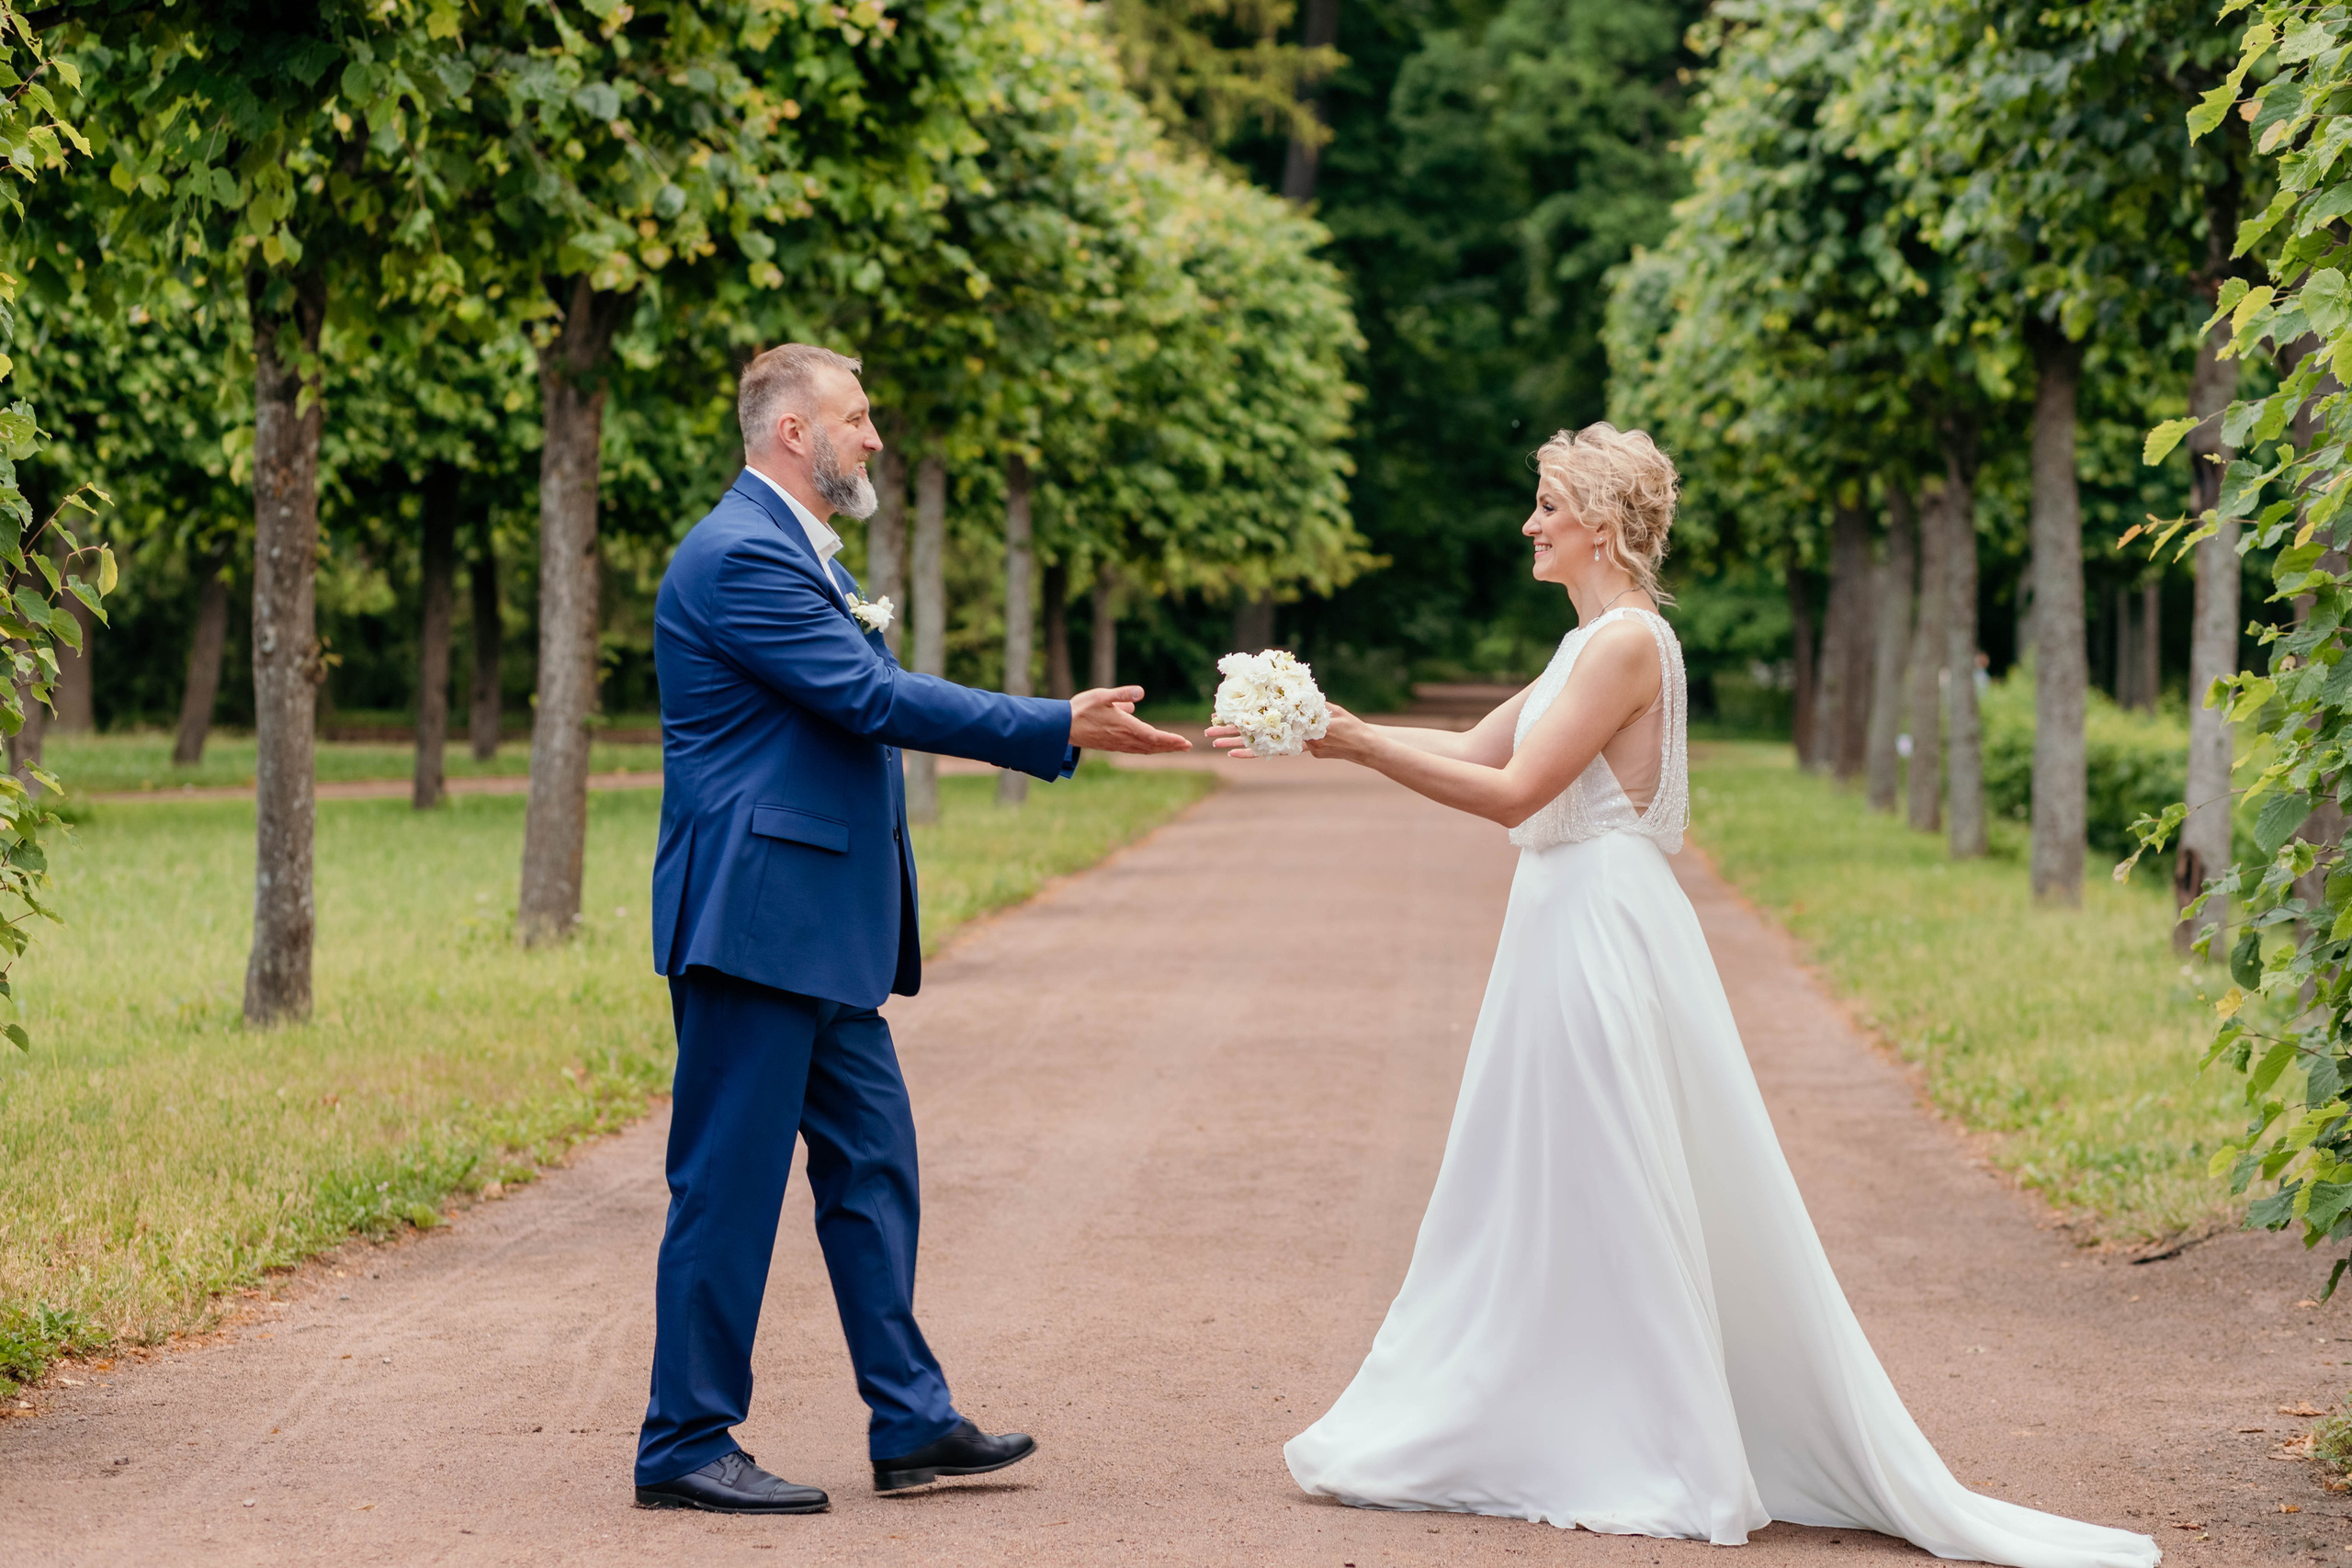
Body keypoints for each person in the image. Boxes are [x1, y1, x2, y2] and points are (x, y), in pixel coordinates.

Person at [1211, 423, 2159, 1568]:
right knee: (1548, 1171)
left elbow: (1513, 794)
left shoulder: (1626, 644)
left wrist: (1356, 747)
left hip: (1600, 928)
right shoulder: (1584, 645)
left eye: (1548, 504)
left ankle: (1659, 1445)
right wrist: (1327, 728)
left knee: (1616, 1168)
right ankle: (1553, 1411)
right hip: (1559, 921)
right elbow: (1470, 744)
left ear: (1600, 524)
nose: (1530, 522)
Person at [634, 344, 1190, 1515]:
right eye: (856, 416)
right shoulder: (740, 554)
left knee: (875, 1166)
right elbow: (870, 698)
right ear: (794, 432)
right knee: (728, 1186)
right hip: (752, 922)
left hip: (816, 928)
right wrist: (1053, 723)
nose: (874, 437)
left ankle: (910, 1419)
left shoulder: (797, 552)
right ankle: (683, 1441)